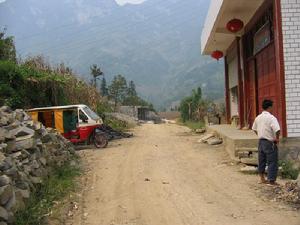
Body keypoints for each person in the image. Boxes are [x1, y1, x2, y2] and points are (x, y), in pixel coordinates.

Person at [252, 99, 280, 185]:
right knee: (272, 161)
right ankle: (271, 180)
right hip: (269, 142)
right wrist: (277, 138)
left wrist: (260, 134)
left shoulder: (258, 117)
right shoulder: (271, 118)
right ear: (270, 107)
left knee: (262, 160)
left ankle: (262, 178)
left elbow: (254, 129)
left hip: (261, 141)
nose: (273, 109)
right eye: (272, 107)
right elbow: (277, 130)